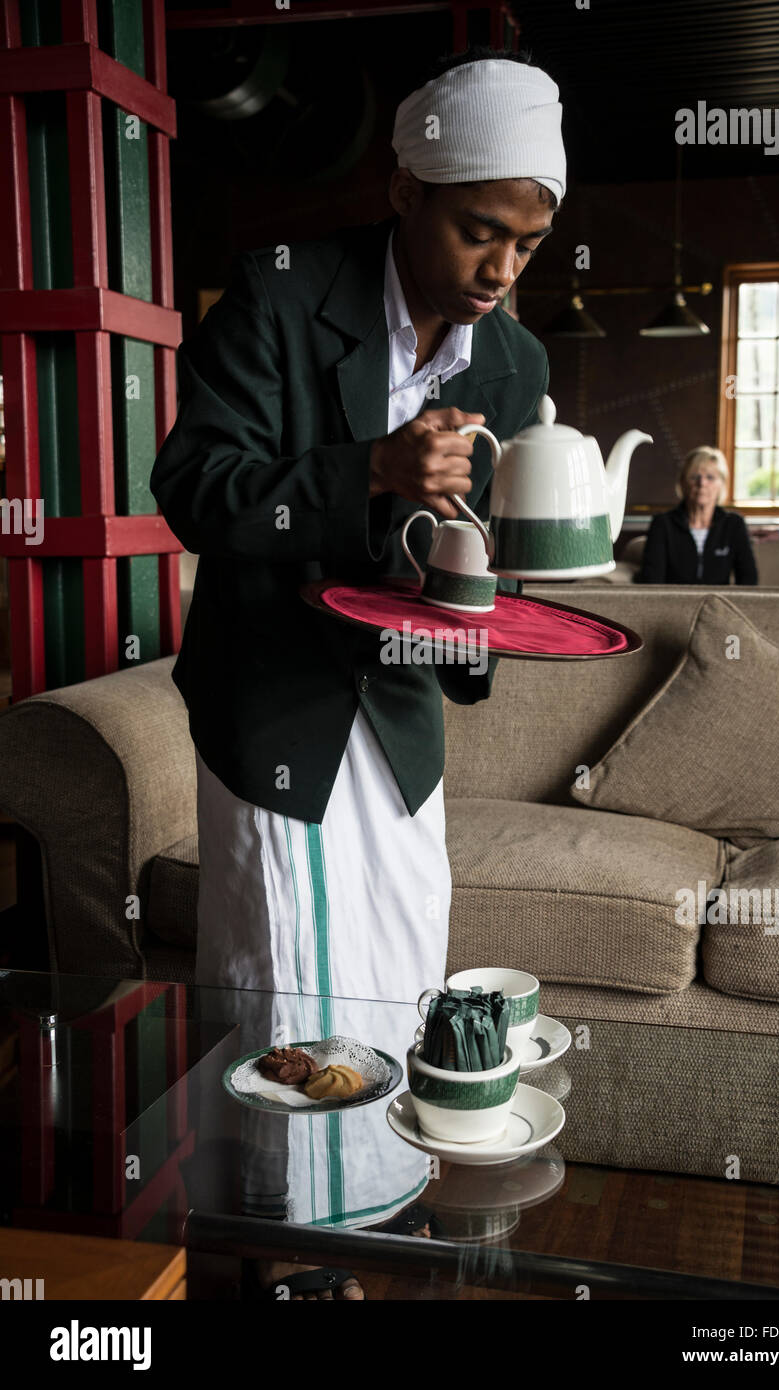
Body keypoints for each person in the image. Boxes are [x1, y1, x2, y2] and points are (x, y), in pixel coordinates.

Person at [150, 45, 565, 1301]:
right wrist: (367, 473)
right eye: (481, 232)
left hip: (397, 719)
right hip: (275, 705)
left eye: (530, 247)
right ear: (406, 193)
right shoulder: (282, 298)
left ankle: (378, 1224)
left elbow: (469, 568)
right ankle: (285, 1254)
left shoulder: (515, 367)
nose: (501, 271)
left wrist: (480, 624)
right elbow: (193, 491)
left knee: (400, 981)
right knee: (283, 986)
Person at [634, 446, 757, 585]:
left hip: (719, 605)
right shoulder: (662, 524)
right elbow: (652, 580)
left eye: (710, 477)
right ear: (682, 483)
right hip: (673, 602)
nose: (702, 483)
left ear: (722, 484)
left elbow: (749, 580)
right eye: (694, 477)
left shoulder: (734, 524)